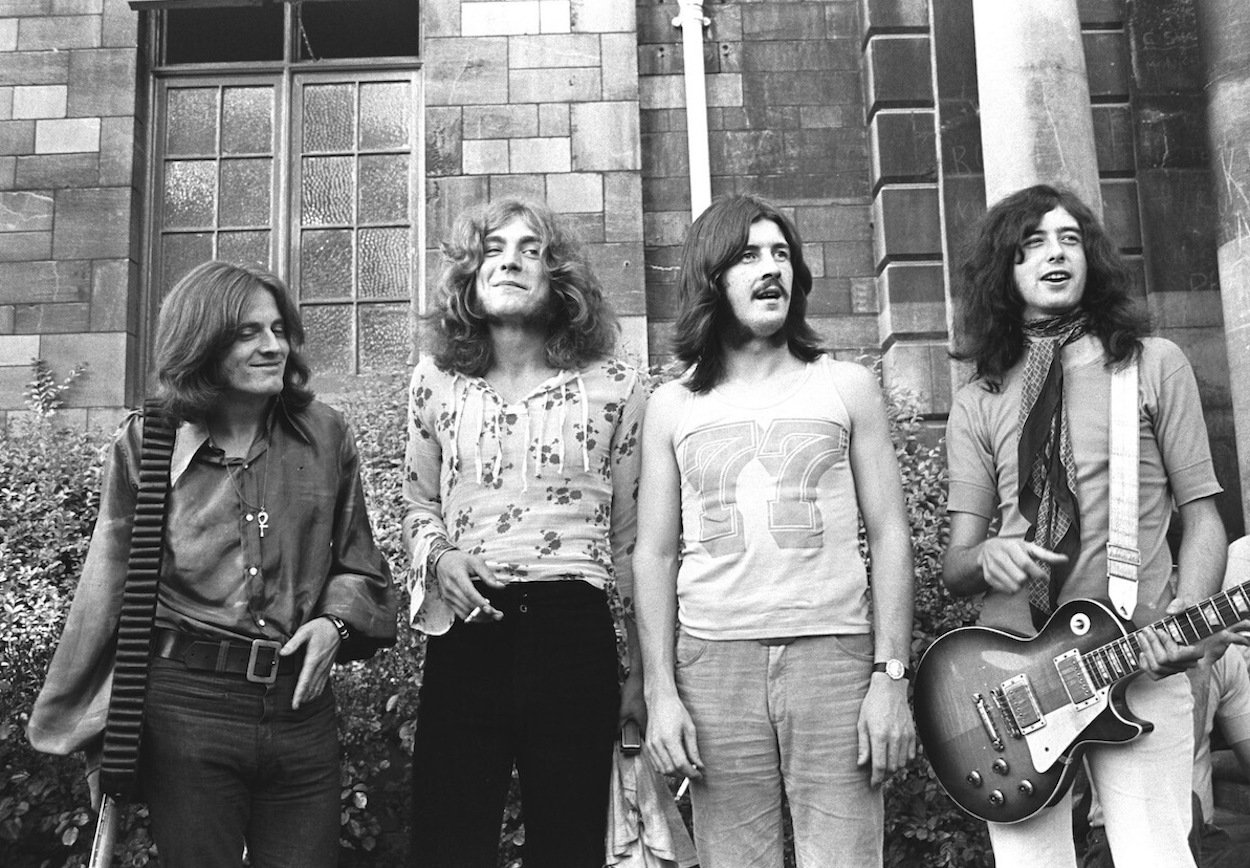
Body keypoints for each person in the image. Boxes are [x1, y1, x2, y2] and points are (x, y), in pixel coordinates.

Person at [27, 261, 397, 868]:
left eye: (279, 329)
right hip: (186, 711)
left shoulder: (327, 435)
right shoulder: (147, 444)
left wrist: (336, 624)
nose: (274, 345)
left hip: (300, 708)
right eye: (249, 332)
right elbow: (106, 585)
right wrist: (89, 726)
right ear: (203, 340)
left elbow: (361, 566)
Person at [942, 184, 1247, 867]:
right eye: (1033, 243)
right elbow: (956, 564)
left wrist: (1188, 619)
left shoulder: (1152, 363)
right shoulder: (979, 400)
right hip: (1014, 680)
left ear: (1091, 260)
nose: (1055, 254)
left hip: (1137, 657)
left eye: (1070, 239)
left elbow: (1204, 520)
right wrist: (987, 554)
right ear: (1006, 269)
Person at [633, 193, 917, 868]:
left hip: (836, 659)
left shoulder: (847, 386)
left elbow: (891, 535)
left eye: (782, 254)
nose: (771, 269)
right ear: (712, 277)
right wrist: (660, 692)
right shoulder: (673, 405)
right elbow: (654, 551)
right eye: (748, 255)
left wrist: (890, 676)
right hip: (713, 666)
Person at [403, 198, 646, 867]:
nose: (509, 258)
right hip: (469, 635)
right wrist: (440, 558)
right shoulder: (436, 380)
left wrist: (644, 672)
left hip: (574, 633)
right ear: (469, 276)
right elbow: (416, 504)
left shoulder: (618, 384)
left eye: (530, 248)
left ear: (557, 276)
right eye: (493, 248)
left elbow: (631, 539)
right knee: (446, 846)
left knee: (569, 849)